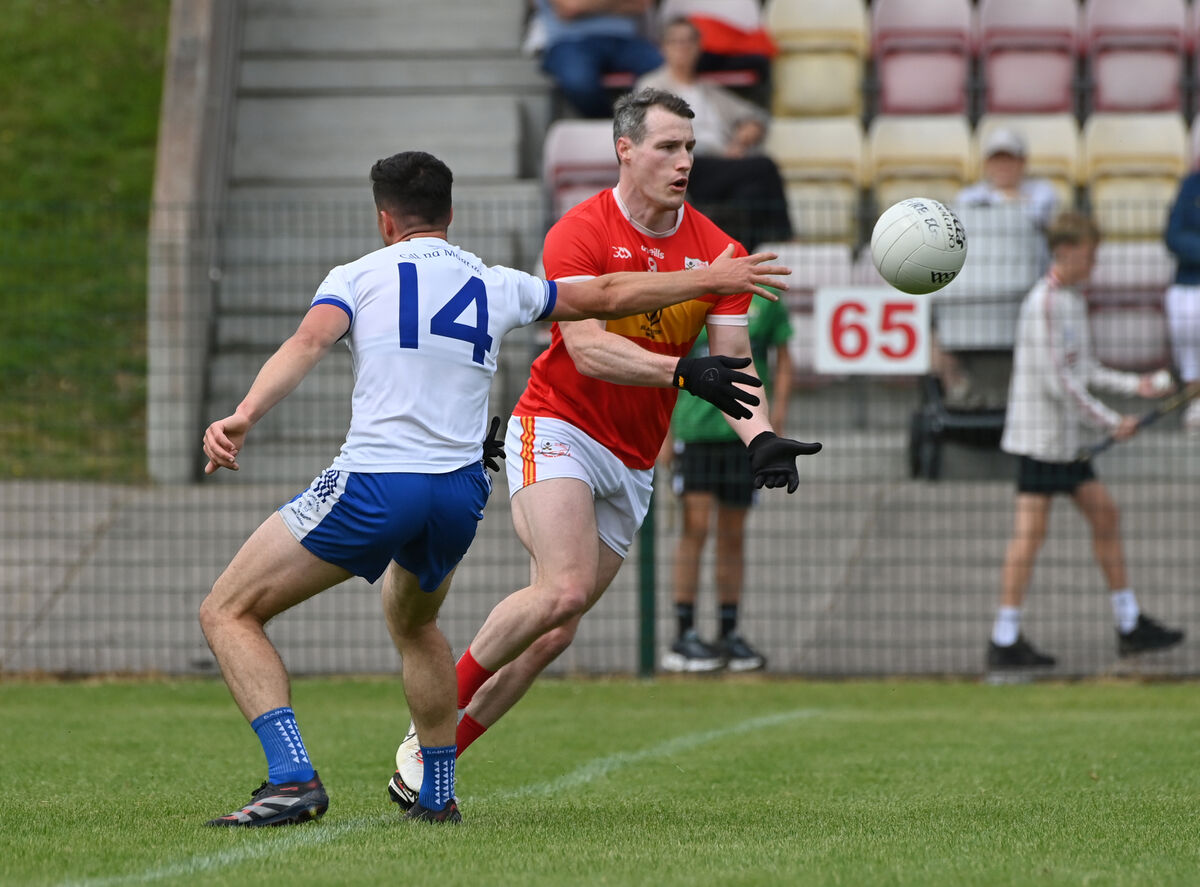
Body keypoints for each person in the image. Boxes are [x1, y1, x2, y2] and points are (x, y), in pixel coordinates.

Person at [197, 149, 794, 827]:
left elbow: (306, 344)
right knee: (417, 624)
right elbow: (605, 294)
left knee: (228, 609)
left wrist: (244, 413)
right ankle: (436, 788)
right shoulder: (493, 282)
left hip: (377, 480)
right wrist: (708, 279)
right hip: (457, 494)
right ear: (450, 215)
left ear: (385, 219)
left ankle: (291, 775)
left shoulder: (358, 275)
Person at [388, 88, 821, 809]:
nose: (684, 161)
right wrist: (684, 372)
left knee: (554, 634)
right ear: (626, 149)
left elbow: (735, 362)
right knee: (562, 586)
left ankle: (425, 770)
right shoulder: (579, 232)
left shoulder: (721, 252)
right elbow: (586, 352)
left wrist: (762, 435)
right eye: (667, 147)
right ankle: (427, 721)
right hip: (556, 423)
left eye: (690, 148)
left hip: (633, 456)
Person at [987, 211, 1184, 671]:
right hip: (1042, 440)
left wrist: (1138, 387)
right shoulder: (1046, 303)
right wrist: (1112, 421)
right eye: (1090, 256)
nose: (1094, 265)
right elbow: (1059, 382)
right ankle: (1004, 638)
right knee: (1030, 536)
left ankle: (1129, 623)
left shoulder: (1072, 300)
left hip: (1066, 441)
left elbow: (1086, 369)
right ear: (1068, 252)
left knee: (1105, 517)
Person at [658, 286, 792, 672]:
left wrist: (776, 416)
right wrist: (665, 434)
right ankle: (685, 635)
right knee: (694, 529)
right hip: (694, 434)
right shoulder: (686, 294)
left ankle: (729, 633)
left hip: (742, 434)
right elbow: (664, 366)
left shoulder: (763, 301)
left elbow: (784, 358)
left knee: (733, 534)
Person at [637, 17, 792, 249]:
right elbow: (652, 133)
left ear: (699, 47)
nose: (683, 48)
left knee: (750, 194)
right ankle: (787, 239)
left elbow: (755, 116)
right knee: (764, 167)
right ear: (664, 47)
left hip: (722, 164)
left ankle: (736, 256)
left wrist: (742, 136)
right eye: (676, 42)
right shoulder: (651, 86)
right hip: (686, 164)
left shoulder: (708, 90)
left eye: (689, 41)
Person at [939, 128, 1062, 405]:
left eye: (1010, 160)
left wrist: (1003, 203)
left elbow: (1039, 214)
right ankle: (958, 385)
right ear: (986, 164)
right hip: (976, 287)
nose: (1003, 167)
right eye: (997, 160)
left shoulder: (1043, 192)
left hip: (1027, 287)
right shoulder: (968, 196)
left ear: (1023, 163)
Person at [531, 0, 662, 119]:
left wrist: (588, 6)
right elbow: (569, 7)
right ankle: (618, 129)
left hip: (626, 40)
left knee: (666, 69)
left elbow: (641, 4)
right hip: (570, 42)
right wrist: (617, 5)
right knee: (579, 81)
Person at [1163, 167, 1200, 434]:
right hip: (1191, 278)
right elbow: (1174, 236)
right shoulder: (1191, 185)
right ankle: (1195, 399)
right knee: (1187, 311)